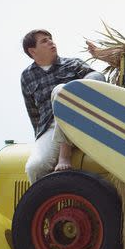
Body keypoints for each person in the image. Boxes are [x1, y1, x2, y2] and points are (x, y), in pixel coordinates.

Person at [21, 29, 98, 184]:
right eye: (44, 40)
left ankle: (65, 155)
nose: (51, 42)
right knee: (34, 168)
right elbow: (34, 115)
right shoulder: (26, 76)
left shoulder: (73, 64)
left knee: (61, 91)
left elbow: (97, 77)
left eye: (50, 38)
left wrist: (87, 81)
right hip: (51, 129)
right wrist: (41, 141)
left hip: (79, 124)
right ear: (32, 51)